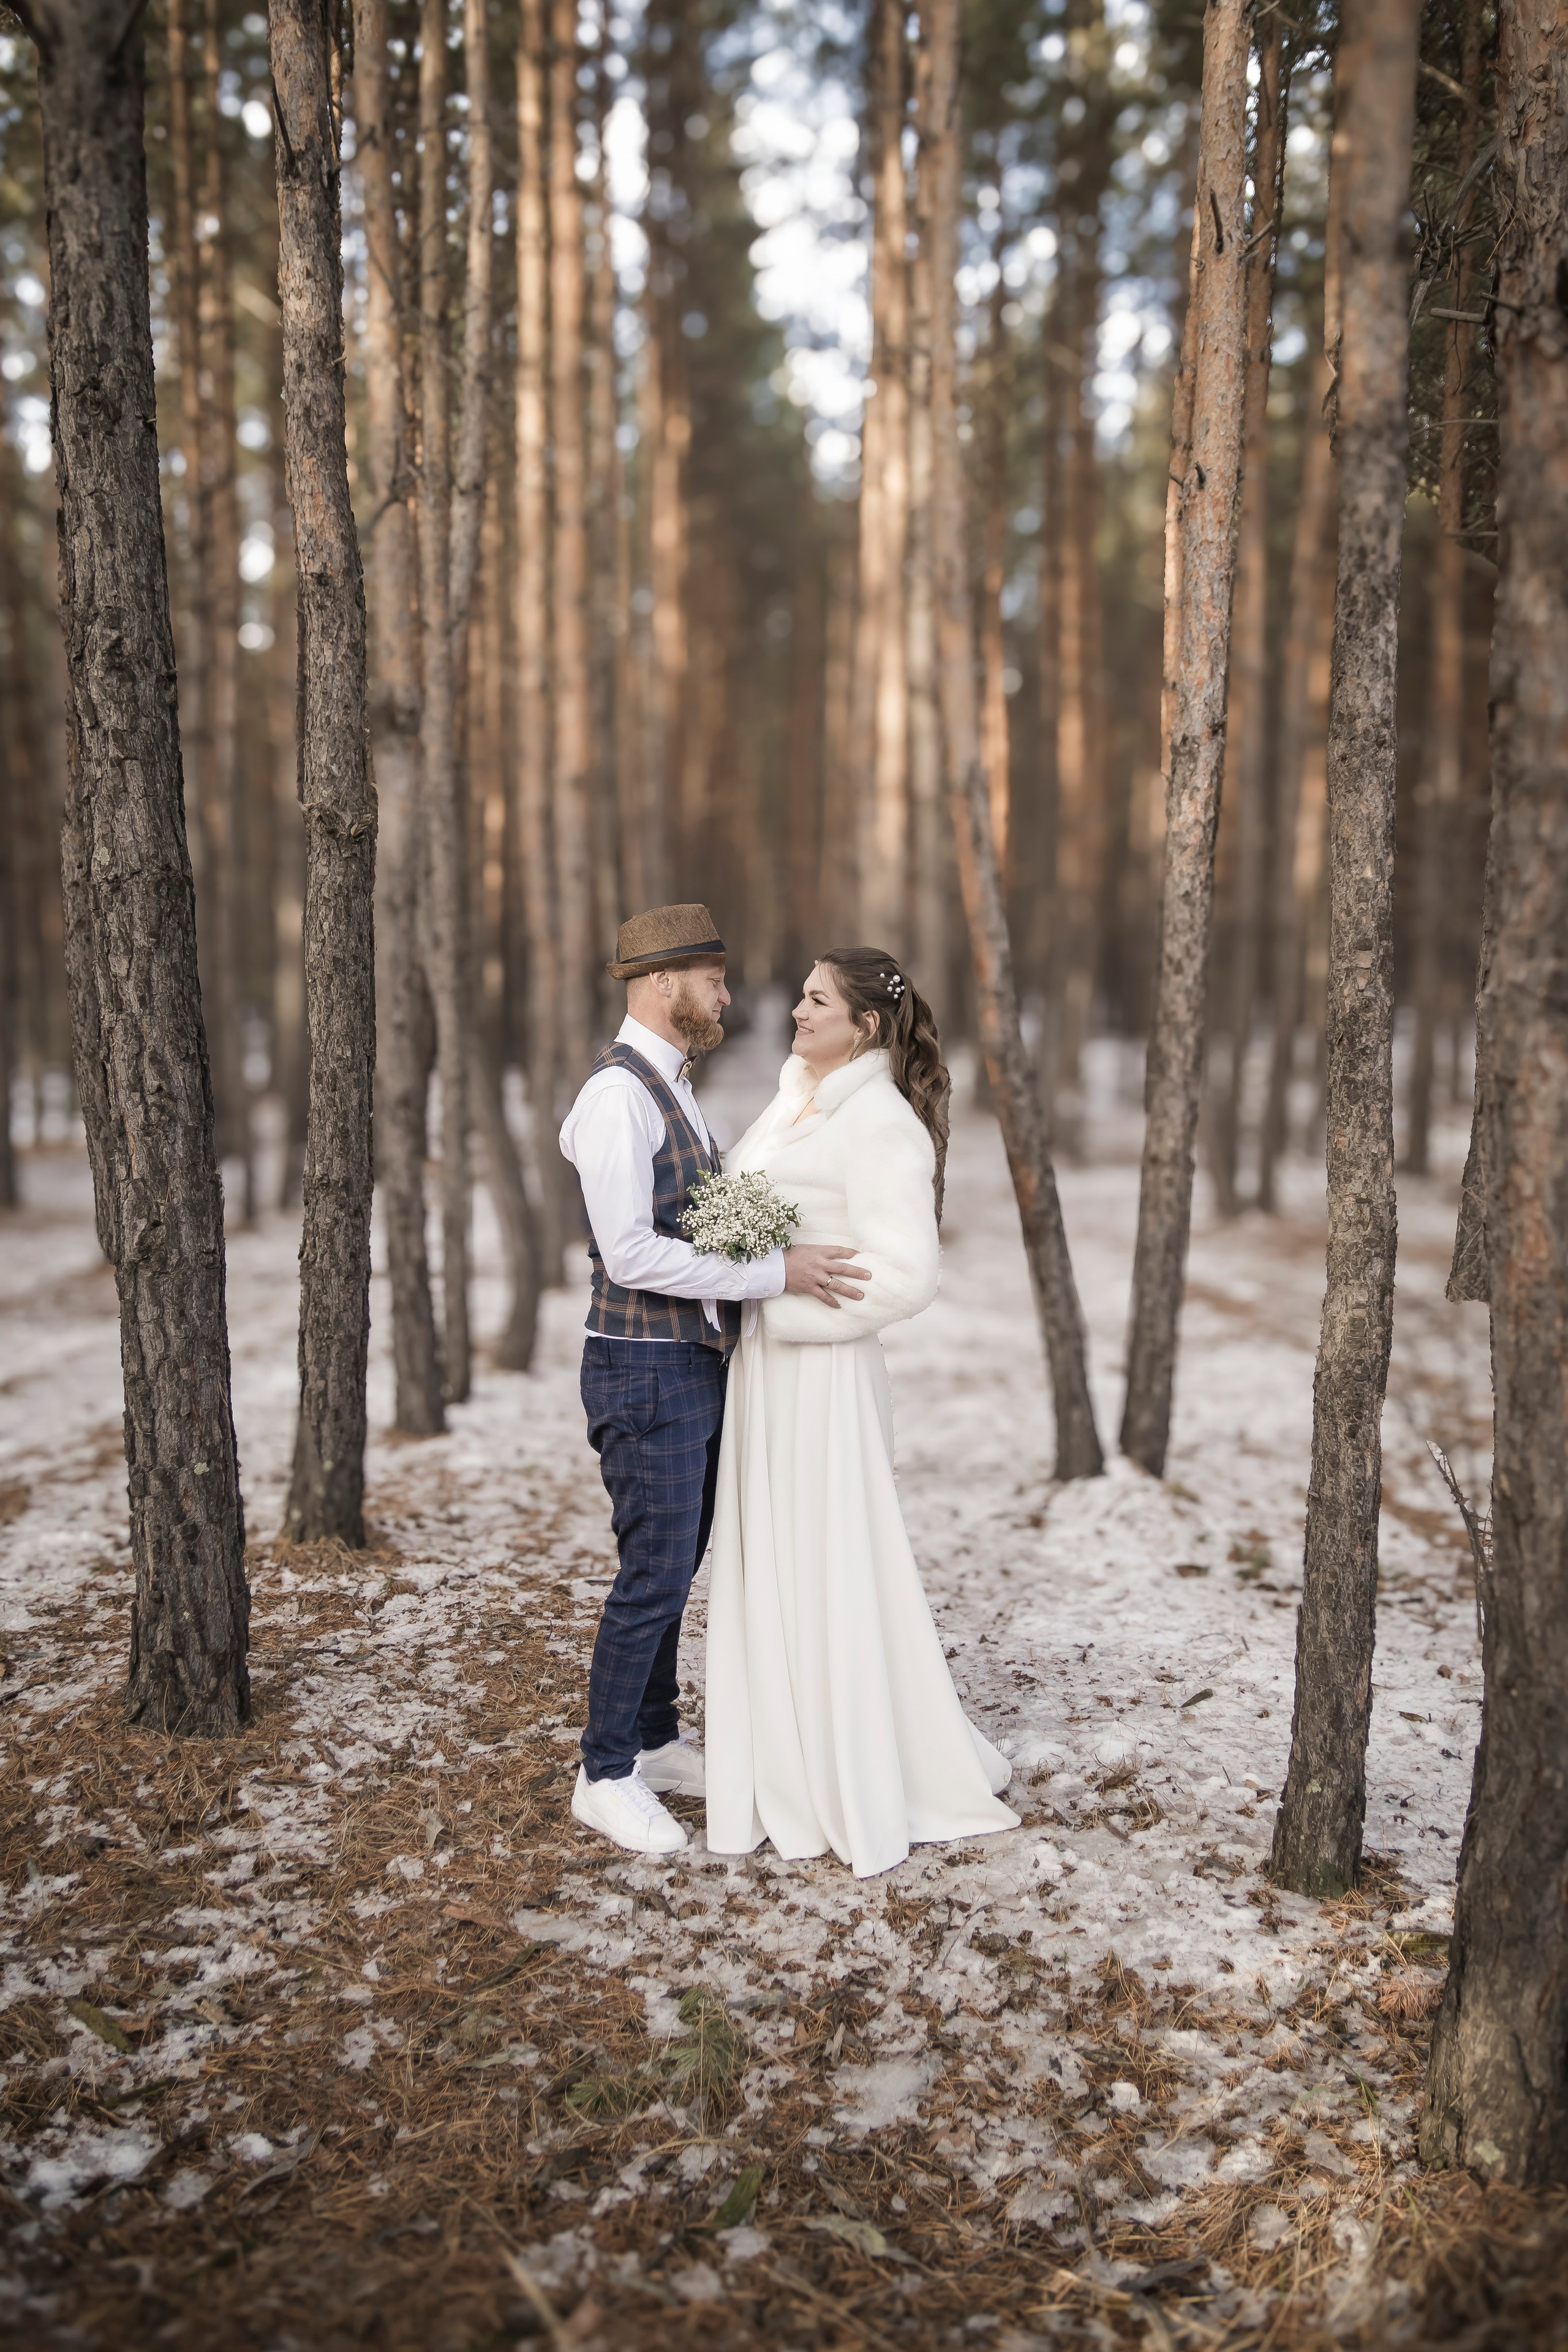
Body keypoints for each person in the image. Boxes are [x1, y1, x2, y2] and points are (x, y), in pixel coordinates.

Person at [559, 903, 871, 1857]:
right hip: (640, 1367)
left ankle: (653, 1740)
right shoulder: (616, 1098)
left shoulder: (672, 1087)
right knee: (652, 1574)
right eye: (713, 980)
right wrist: (774, 1273)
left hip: (686, 1362)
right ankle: (605, 1772)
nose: (727, 997)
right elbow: (630, 1254)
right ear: (663, 983)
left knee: (677, 1563)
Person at [704, 949, 1019, 1879]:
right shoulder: (794, 1098)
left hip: (824, 1379)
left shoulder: (881, 1123)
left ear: (865, 1025)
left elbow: (909, 1275)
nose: (797, 1011)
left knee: (828, 1563)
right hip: (765, 1375)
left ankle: (852, 1767)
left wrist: (780, 1307)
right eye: (802, 997)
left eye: (816, 1000)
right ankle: (780, 1758)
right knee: (774, 1562)